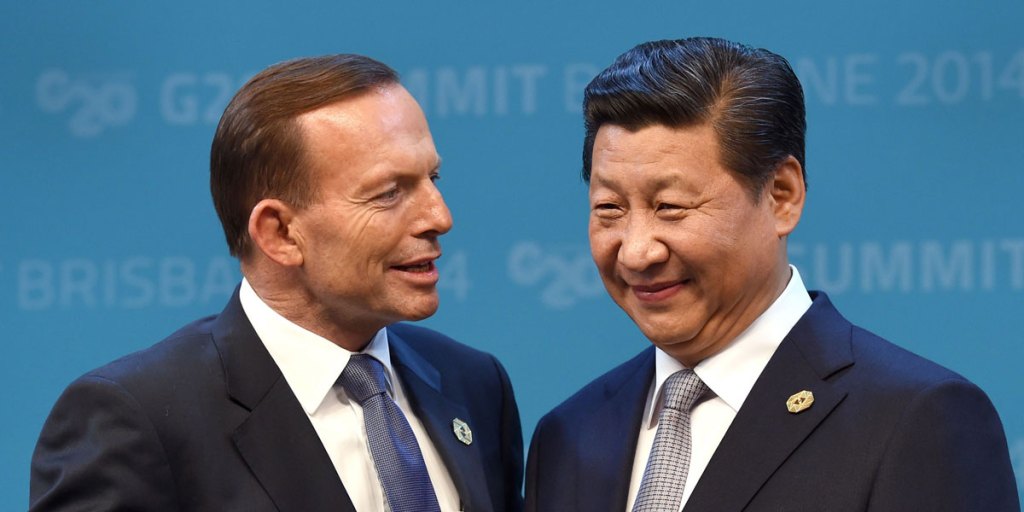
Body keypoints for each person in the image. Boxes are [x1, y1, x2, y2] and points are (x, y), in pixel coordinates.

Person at [525, 37, 1019, 511]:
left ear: (782, 195)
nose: (635, 252)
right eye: (609, 208)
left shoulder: (915, 419)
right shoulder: (569, 434)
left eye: (670, 207)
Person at [31, 54, 524, 512]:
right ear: (280, 233)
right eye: (389, 192)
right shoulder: (138, 422)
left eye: (433, 179)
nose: (440, 216)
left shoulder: (473, 385)